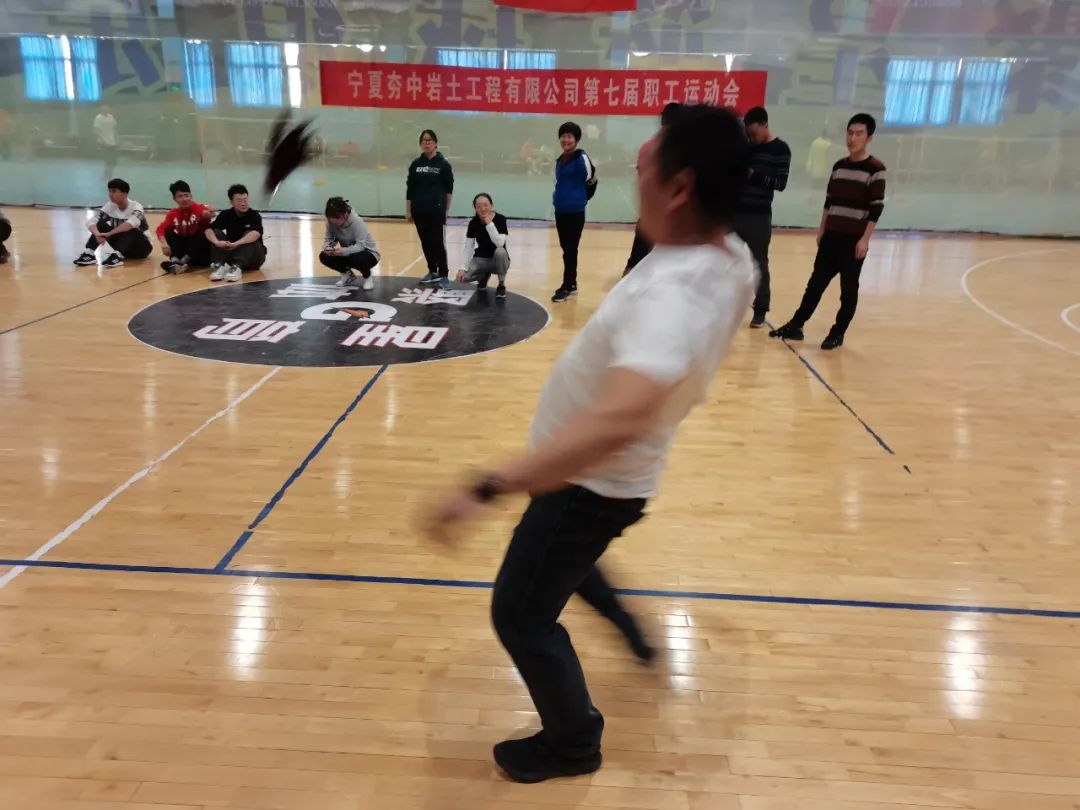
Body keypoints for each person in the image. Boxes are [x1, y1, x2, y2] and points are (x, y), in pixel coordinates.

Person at [425, 105, 756, 784]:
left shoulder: (673, 295)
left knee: (520, 614)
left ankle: (573, 742)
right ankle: (631, 630)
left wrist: (488, 485)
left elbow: (617, 420)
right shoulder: (730, 255)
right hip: (610, 482)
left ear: (680, 188)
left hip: (587, 484)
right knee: (567, 561)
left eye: (643, 167)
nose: (633, 178)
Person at [769, 113, 886, 350]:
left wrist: (865, 240)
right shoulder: (839, 166)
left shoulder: (876, 169)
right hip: (831, 237)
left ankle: (837, 332)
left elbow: (876, 208)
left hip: (853, 240)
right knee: (815, 284)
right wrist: (822, 228)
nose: (852, 138)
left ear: (869, 138)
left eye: (859, 134)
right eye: (850, 133)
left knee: (848, 290)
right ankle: (796, 326)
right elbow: (829, 201)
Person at [734, 106, 791, 328]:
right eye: (749, 134)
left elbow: (781, 183)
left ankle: (760, 310)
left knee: (760, 263)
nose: (752, 138)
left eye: (755, 133)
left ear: (765, 125)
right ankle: (723, 305)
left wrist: (754, 175)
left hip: (759, 217)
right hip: (736, 213)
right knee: (724, 258)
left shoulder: (780, 149)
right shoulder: (747, 147)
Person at [623, 102, 681, 276]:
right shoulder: (682, 150)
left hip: (651, 215)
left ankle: (630, 284)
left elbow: (642, 176)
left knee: (636, 261)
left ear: (662, 121)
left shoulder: (647, 147)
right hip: (674, 217)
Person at [551, 121, 596, 303]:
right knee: (566, 249)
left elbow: (591, 180)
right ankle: (572, 284)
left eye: (569, 136)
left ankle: (568, 286)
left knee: (570, 249)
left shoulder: (581, 158)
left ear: (576, 139)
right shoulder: (560, 160)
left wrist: (581, 199)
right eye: (563, 136)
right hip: (560, 210)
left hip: (575, 212)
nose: (566, 139)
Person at [406, 129, 454, 288]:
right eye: (424, 141)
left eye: (429, 140)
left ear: (435, 143)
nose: (426, 143)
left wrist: (446, 210)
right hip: (419, 210)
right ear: (420, 144)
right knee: (425, 242)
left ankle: (444, 274)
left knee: (437, 242)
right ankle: (432, 271)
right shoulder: (416, 164)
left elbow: (449, 190)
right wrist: (408, 210)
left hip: (436, 211)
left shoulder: (443, 164)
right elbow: (410, 189)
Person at [72, 178, 152, 268]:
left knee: (132, 230)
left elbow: (129, 225)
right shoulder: (110, 206)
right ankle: (89, 253)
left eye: (114, 191)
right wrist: (97, 234)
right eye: (109, 191)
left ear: (124, 194)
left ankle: (117, 256)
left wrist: (109, 234)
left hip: (141, 248)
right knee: (101, 224)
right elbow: (91, 222)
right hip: (122, 246)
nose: (110, 194)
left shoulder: (136, 207)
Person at [205, 184, 267, 283]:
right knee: (216, 232)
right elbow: (208, 230)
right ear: (231, 202)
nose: (243, 203)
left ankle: (236, 267)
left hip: (254, 258)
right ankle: (218, 266)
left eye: (245, 200)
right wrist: (217, 242)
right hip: (233, 254)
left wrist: (235, 244)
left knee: (250, 236)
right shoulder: (226, 214)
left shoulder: (254, 215)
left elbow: (255, 234)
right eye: (239, 200)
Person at [456, 193, 510, 300]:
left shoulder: (500, 219)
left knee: (500, 251)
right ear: (475, 208)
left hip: (498, 261)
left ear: (491, 205)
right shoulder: (473, 223)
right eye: (479, 206)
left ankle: (501, 284)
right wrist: (462, 268)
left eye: (486, 205)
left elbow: (500, 243)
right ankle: (483, 276)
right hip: (480, 260)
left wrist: (489, 224)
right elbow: (468, 247)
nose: (483, 208)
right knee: (462, 278)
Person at [320, 196, 379, 291]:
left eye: (337, 218)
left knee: (357, 258)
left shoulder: (357, 222)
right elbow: (329, 239)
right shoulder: (330, 223)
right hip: (348, 253)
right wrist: (328, 248)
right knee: (324, 256)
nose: (335, 222)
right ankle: (347, 274)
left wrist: (342, 251)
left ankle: (367, 276)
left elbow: (360, 246)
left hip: (368, 253)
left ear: (345, 213)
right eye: (331, 219)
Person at [156, 179, 213, 274]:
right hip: (184, 250)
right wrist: (164, 244)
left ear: (191, 196)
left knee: (203, 231)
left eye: (186, 195)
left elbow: (206, 216)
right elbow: (160, 229)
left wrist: (206, 215)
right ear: (174, 198)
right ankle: (176, 260)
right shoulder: (173, 213)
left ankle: (182, 263)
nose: (184, 199)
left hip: (198, 252)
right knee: (169, 230)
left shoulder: (199, 208)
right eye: (180, 196)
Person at [93, 104, 118, 180]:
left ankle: (106, 175)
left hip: (112, 142)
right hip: (103, 142)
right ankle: (108, 176)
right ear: (101, 109)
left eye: (107, 108)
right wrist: (102, 140)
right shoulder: (98, 118)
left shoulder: (111, 117)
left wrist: (117, 138)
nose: (106, 109)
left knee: (113, 161)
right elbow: (96, 131)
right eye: (104, 108)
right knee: (109, 159)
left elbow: (114, 129)